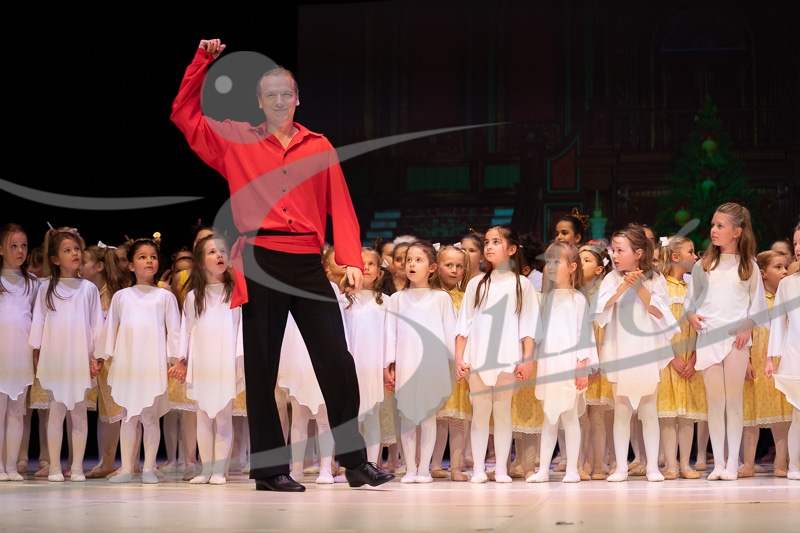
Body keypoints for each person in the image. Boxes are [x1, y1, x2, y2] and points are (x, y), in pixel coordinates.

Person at [171, 38, 393, 491]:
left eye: (284, 93)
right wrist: (202, 62)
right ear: (259, 102)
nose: (277, 100)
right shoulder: (236, 141)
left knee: (337, 361)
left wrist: (350, 259)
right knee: (262, 369)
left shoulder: (319, 145)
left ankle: (354, 462)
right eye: (269, 94)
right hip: (260, 261)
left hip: (307, 263)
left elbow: (340, 203)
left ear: (297, 98)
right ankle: (270, 470)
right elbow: (184, 115)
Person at [684, 203, 766, 481]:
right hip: (709, 336)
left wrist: (746, 327)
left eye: (720, 226)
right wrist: (692, 316)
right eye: (713, 225)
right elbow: (689, 303)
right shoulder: (703, 265)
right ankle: (717, 463)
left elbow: (758, 307)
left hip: (735, 340)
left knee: (733, 401)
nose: (713, 230)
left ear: (737, 231)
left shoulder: (748, 265)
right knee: (715, 402)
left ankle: (733, 463)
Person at [592, 225, 679, 482]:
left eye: (620, 250)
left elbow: (659, 311)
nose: (615, 255)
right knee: (621, 409)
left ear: (638, 253)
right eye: (614, 250)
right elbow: (601, 307)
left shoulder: (655, 279)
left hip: (646, 349)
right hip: (620, 349)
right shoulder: (611, 278)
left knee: (648, 408)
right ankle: (621, 467)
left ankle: (652, 466)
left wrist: (638, 285)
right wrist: (623, 286)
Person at [455, 225, 539, 484]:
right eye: (487, 242)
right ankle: (479, 469)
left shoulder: (522, 284)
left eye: (496, 242)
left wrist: (527, 359)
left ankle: (501, 468)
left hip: (507, 356)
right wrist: (459, 358)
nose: (489, 246)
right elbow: (464, 324)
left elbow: (529, 326)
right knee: (480, 412)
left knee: (502, 411)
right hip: (478, 355)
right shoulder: (476, 283)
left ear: (511, 249)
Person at [29, 228, 104, 482]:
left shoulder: (88, 289)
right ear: (55, 259)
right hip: (56, 358)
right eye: (67, 250)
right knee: (57, 410)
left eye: (76, 249)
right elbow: (38, 322)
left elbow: (96, 326)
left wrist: (96, 357)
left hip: (80, 358)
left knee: (79, 412)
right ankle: (54, 468)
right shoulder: (46, 288)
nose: (74, 253)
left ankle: (78, 467)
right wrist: (37, 353)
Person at [105, 238, 181, 484]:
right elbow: (110, 329)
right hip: (127, 364)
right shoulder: (121, 297)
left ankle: (149, 467)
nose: (149, 261)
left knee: (149, 416)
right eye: (142, 257)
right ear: (131, 265)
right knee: (128, 416)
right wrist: (104, 357)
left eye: (153, 257)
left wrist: (175, 360)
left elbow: (175, 331)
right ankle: (127, 468)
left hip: (152, 364)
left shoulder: (164, 297)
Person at [171, 234, 243, 485]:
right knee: (202, 416)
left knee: (223, 416)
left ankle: (219, 471)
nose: (219, 255)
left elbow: (241, 328)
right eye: (212, 252)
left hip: (225, 360)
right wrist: (182, 360)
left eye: (222, 251)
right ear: (201, 262)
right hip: (202, 362)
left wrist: (239, 361)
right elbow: (187, 329)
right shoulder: (194, 296)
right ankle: (205, 470)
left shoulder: (235, 293)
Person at [385, 241, 456, 483]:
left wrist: (457, 363)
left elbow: (450, 334)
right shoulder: (396, 299)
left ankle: (424, 468)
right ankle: (410, 468)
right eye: (409, 260)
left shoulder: (441, 298)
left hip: (432, 366)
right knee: (407, 416)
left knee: (427, 416)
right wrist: (389, 365)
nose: (412, 264)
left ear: (432, 267)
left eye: (418, 260)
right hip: (406, 365)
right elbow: (390, 335)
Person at [528, 241, 596, 483]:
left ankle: (572, 470)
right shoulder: (543, 299)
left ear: (572, 266)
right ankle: (543, 471)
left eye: (557, 261)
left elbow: (584, 335)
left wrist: (581, 366)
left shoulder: (578, 300)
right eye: (548, 261)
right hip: (549, 366)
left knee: (569, 417)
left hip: (569, 366)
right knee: (549, 418)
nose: (551, 266)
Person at [655, 236, 706, 480]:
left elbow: (702, 324)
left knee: (688, 414)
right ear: (675, 257)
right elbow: (656, 326)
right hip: (668, 359)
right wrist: (672, 358)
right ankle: (670, 465)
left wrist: (694, 357)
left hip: (690, 358)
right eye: (691, 252)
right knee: (667, 413)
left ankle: (685, 463)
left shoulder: (693, 289)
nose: (695, 257)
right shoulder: (660, 286)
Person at [740, 250, 792, 477]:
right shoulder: (753, 301)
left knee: (782, 413)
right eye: (778, 267)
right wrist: (747, 362)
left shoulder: (787, 298)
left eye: (785, 267)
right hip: (757, 360)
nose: (784, 271)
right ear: (762, 273)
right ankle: (748, 464)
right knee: (750, 414)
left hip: (781, 360)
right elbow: (746, 334)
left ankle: (781, 463)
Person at [81, 242, 130, 479]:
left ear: (99, 266)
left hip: (114, 360)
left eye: (84, 262)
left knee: (117, 414)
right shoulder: (92, 293)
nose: (80, 266)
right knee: (107, 414)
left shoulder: (112, 295)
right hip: (100, 360)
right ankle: (106, 461)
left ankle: (114, 462)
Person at [342, 248, 391, 466]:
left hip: (374, 366)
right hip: (349, 366)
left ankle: (371, 464)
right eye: (361, 264)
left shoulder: (387, 302)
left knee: (372, 416)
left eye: (371, 264)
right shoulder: (342, 301)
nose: (366, 268)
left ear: (379, 272)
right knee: (349, 418)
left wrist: (387, 365)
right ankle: (351, 465)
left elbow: (390, 336)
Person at [0, 224, 38, 482]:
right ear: (1, 249)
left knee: (16, 411)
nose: (20, 251)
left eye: (23, 245)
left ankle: (11, 466)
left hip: (21, 354)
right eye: (13, 246)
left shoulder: (33, 283)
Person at [429, 244, 471, 481]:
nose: (454, 270)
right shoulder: (430, 297)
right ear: (436, 267)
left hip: (458, 365)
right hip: (435, 365)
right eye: (449, 265)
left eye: (459, 266)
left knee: (457, 418)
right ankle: (434, 464)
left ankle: (456, 467)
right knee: (435, 418)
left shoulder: (466, 299)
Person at [765, 222, 800, 480]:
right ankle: (794, 465)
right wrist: (771, 356)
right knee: (797, 414)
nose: (797, 248)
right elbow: (778, 323)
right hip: (795, 355)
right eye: (796, 243)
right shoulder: (788, 285)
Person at [579, 243, 615, 480]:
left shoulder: (604, 293)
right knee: (579, 415)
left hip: (600, 355)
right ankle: (579, 464)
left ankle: (600, 465)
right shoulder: (572, 292)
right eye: (579, 260)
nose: (581, 264)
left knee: (598, 416)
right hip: (578, 358)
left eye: (587, 260)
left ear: (600, 269)